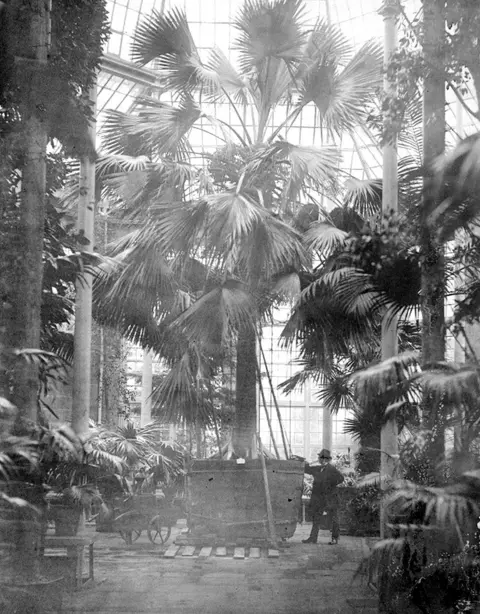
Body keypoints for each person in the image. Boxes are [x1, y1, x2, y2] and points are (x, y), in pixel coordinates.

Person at [302, 449, 344, 545]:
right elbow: (307, 469)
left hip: (331, 498)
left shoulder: (332, 469)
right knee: (316, 517)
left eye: (325, 458)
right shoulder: (317, 468)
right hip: (320, 498)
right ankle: (313, 538)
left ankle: (335, 538)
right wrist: (302, 462)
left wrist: (330, 485)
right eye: (321, 458)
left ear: (328, 460)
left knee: (334, 518)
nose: (322, 460)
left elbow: (341, 478)